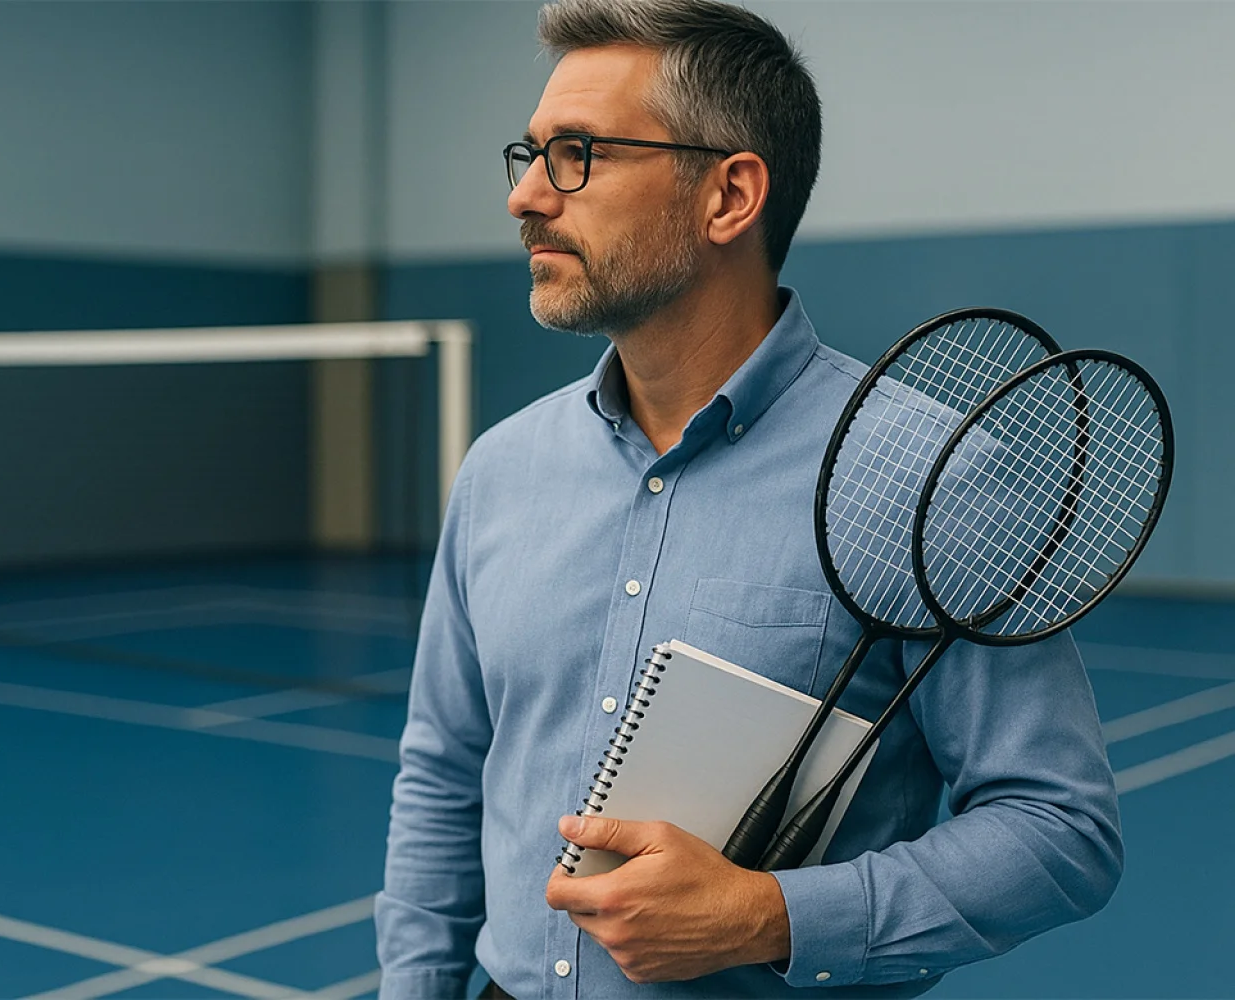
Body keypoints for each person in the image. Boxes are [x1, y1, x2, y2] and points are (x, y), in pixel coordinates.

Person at [375, 1, 1122, 997]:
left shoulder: (927, 476)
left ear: (729, 195)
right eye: (528, 153)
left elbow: (1060, 828)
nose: (524, 196)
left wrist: (771, 916)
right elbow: (441, 773)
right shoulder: (501, 471)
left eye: (578, 154)